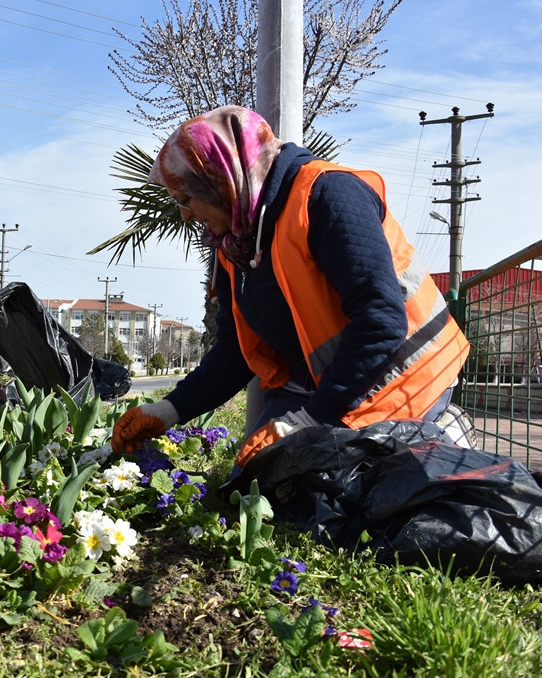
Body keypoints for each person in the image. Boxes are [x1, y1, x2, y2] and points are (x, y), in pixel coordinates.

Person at [111, 106, 470, 465]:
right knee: (253, 483)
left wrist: (310, 420)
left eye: (186, 199)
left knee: (335, 490)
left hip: (402, 376)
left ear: (219, 180)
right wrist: (168, 410)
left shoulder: (327, 195)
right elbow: (235, 352)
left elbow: (381, 321)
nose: (185, 215)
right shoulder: (236, 244)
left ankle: (440, 435)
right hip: (323, 384)